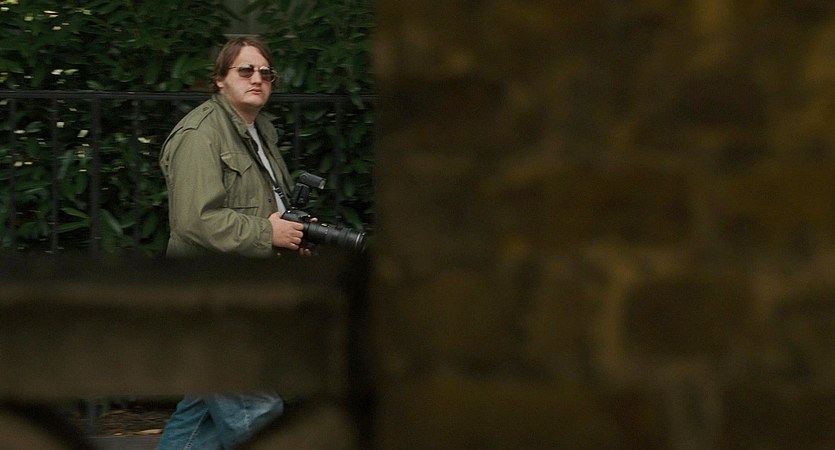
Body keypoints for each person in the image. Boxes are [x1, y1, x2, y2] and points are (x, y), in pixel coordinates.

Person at [156, 36, 309, 450]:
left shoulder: (258, 132)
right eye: (245, 70)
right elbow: (195, 220)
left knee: (200, 424)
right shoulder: (200, 135)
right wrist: (267, 233)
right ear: (220, 79)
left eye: (266, 72)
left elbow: (263, 207)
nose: (257, 78)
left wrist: (292, 232)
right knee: (257, 416)